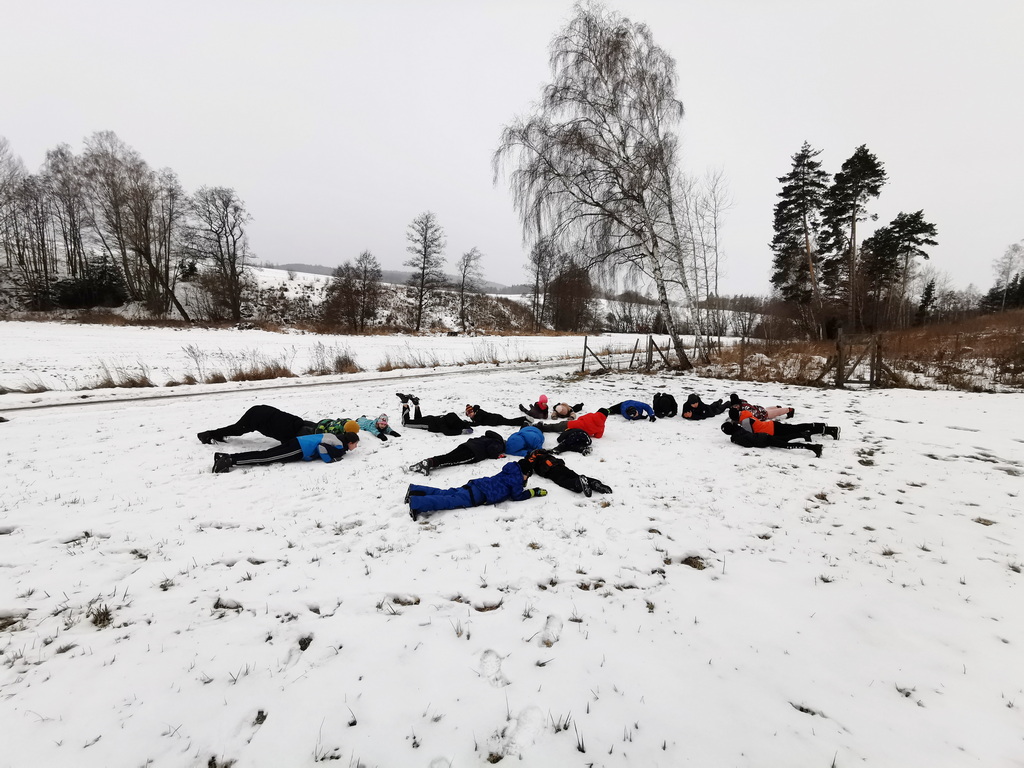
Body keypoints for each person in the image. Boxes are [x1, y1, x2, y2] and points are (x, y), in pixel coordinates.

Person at [406, 459, 547, 521]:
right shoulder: (516, 480)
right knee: (448, 501)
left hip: (477, 484)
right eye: (527, 476)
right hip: (479, 495)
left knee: (447, 493)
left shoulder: (509, 471)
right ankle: (417, 503)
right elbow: (517, 496)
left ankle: (415, 490)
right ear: (525, 473)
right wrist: (533, 492)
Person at [212, 431, 359, 473]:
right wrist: (330, 460)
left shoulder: (335, 437)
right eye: (355, 444)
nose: (356, 447)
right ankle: (229, 461)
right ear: (350, 443)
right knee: (266, 458)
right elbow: (322, 448)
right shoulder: (339, 446)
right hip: (299, 449)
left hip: (297, 441)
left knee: (266, 454)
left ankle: (227, 457)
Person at [198, 404, 321, 444]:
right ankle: (207, 435)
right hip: (258, 418)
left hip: (263, 410)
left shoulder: (301, 422)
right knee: (237, 430)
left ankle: (212, 434)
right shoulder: (290, 434)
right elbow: (288, 447)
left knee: (237, 429)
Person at [408, 430, 506, 476]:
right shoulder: (499, 443)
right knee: (450, 460)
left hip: (466, 445)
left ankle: (427, 462)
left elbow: (486, 437)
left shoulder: (489, 437)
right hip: (473, 453)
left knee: (448, 456)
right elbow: (491, 449)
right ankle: (429, 463)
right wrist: (497, 456)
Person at [523, 448, 612, 498]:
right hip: (561, 467)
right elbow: (561, 460)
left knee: (565, 481)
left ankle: (578, 484)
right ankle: (594, 483)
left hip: (551, 472)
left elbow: (528, 468)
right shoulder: (546, 455)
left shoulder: (532, 459)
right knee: (575, 476)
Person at [720, 421, 822, 458]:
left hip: (764, 441)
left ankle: (814, 448)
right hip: (764, 436)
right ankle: (802, 434)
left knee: (786, 445)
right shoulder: (738, 429)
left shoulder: (737, 436)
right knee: (785, 438)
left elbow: (748, 444)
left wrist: (735, 440)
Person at [397, 393, 474, 436]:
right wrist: (461, 432)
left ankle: (416, 404)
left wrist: (469, 428)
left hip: (431, 418)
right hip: (427, 424)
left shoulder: (454, 419)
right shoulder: (444, 424)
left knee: (417, 420)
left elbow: (465, 423)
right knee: (406, 423)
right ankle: (405, 402)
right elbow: (447, 432)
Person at [730, 412, 840, 442]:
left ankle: (829, 430)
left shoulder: (745, 422)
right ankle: (821, 427)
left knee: (798, 429)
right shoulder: (745, 415)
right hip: (773, 425)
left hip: (773, 430)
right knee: (797, 428)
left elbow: (749, 434)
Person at [536, 408, 609, 439]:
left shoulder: (590, 415)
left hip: (571, 425)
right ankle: (544, 426)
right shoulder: (601, 426)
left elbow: (580, 418)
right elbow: (598, 436)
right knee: (557, 427)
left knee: (555, 427)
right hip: (575, 433)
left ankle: (540, 427)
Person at [728, 393, 794, 421]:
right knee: (766, 410)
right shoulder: (741, 402)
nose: (735, 407)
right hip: (758, 408)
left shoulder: (745, 408)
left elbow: (753, 415)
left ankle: (789, 410)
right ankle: (776, 407)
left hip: (760, 413)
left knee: (770, 413)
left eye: (735, 406)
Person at [465, 404, 532, 428]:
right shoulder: (476, 414)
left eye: (471, 413)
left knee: (510, 422)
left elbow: (477, 423)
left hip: (496, 419)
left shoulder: (479, 413)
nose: (470, 416)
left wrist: (469, 424)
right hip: (495, 419)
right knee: (510, 422)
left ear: (473, 411)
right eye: (469, 415)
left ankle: (524, 419)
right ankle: (524, 421)